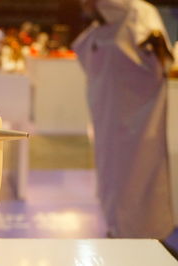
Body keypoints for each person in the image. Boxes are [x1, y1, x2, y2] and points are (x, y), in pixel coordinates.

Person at [73, 0, 175, 239]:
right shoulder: (101, 29)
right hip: (110, 116)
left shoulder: (138, 14)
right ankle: (118, 227)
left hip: (140, 119)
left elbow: (160, 60)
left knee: (138, 176)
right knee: (113, 176)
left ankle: (138, 231)